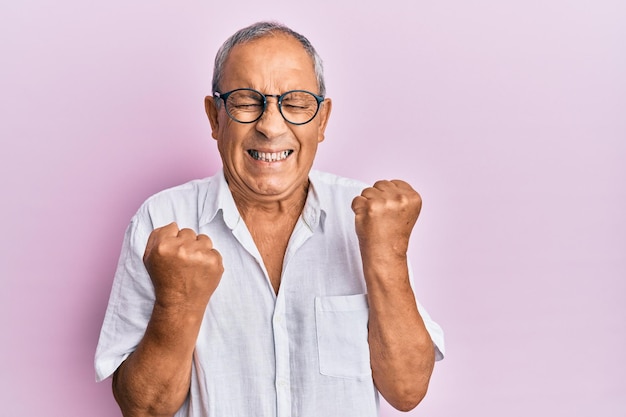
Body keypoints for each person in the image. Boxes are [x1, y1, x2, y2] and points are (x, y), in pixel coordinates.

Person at [95, 21, 444, 417]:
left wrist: (388, 256)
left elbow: (407, 390)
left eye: (295, 103)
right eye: (246, 101)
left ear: (322, 120)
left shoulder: (368, 218)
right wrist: (176, 304)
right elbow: (142, 410)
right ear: (214, 117)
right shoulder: (162, 221)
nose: (270, 126)